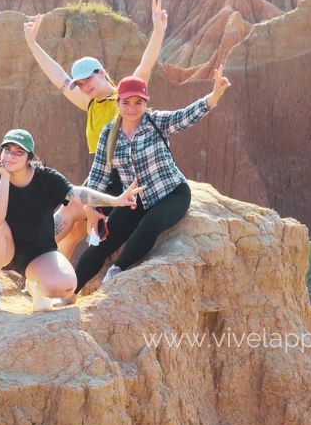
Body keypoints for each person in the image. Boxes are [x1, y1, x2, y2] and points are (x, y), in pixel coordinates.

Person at [22, 0, 167, 259]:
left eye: (88, 79)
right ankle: (54, 282)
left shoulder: (123, 98)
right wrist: (33, 44)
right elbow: (58, 77)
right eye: (80, 83)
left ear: (101, 72)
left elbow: (145, 66)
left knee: (67, 212)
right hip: (101, 174)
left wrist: (158, 32)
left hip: (121, 174)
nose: (84, 86)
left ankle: (31, 260)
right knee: (75, 229)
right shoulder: (90, 104)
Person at [72, 68, 231, 288]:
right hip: (134, 199)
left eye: (138, 102)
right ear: (118, 103)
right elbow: (98, 175)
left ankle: (116, 270)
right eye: (126, 102)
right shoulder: (108, 134)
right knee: (102, 244)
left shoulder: (156, 122)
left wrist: (213, 97)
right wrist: (91, 208)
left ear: (146, 103)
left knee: (150, 224)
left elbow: (185, 116)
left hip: (171, 193)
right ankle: (69, 290)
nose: (132, 108)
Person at [0, 128, 140, 313]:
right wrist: (5, 177)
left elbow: (78, 193)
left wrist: (116, 201)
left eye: (19, 152)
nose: (11, 157)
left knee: (66, 286)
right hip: (5, 248)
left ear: (29, 158)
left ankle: (36, 286)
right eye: (7, 150)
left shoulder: (46, 178)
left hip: (37, 254)